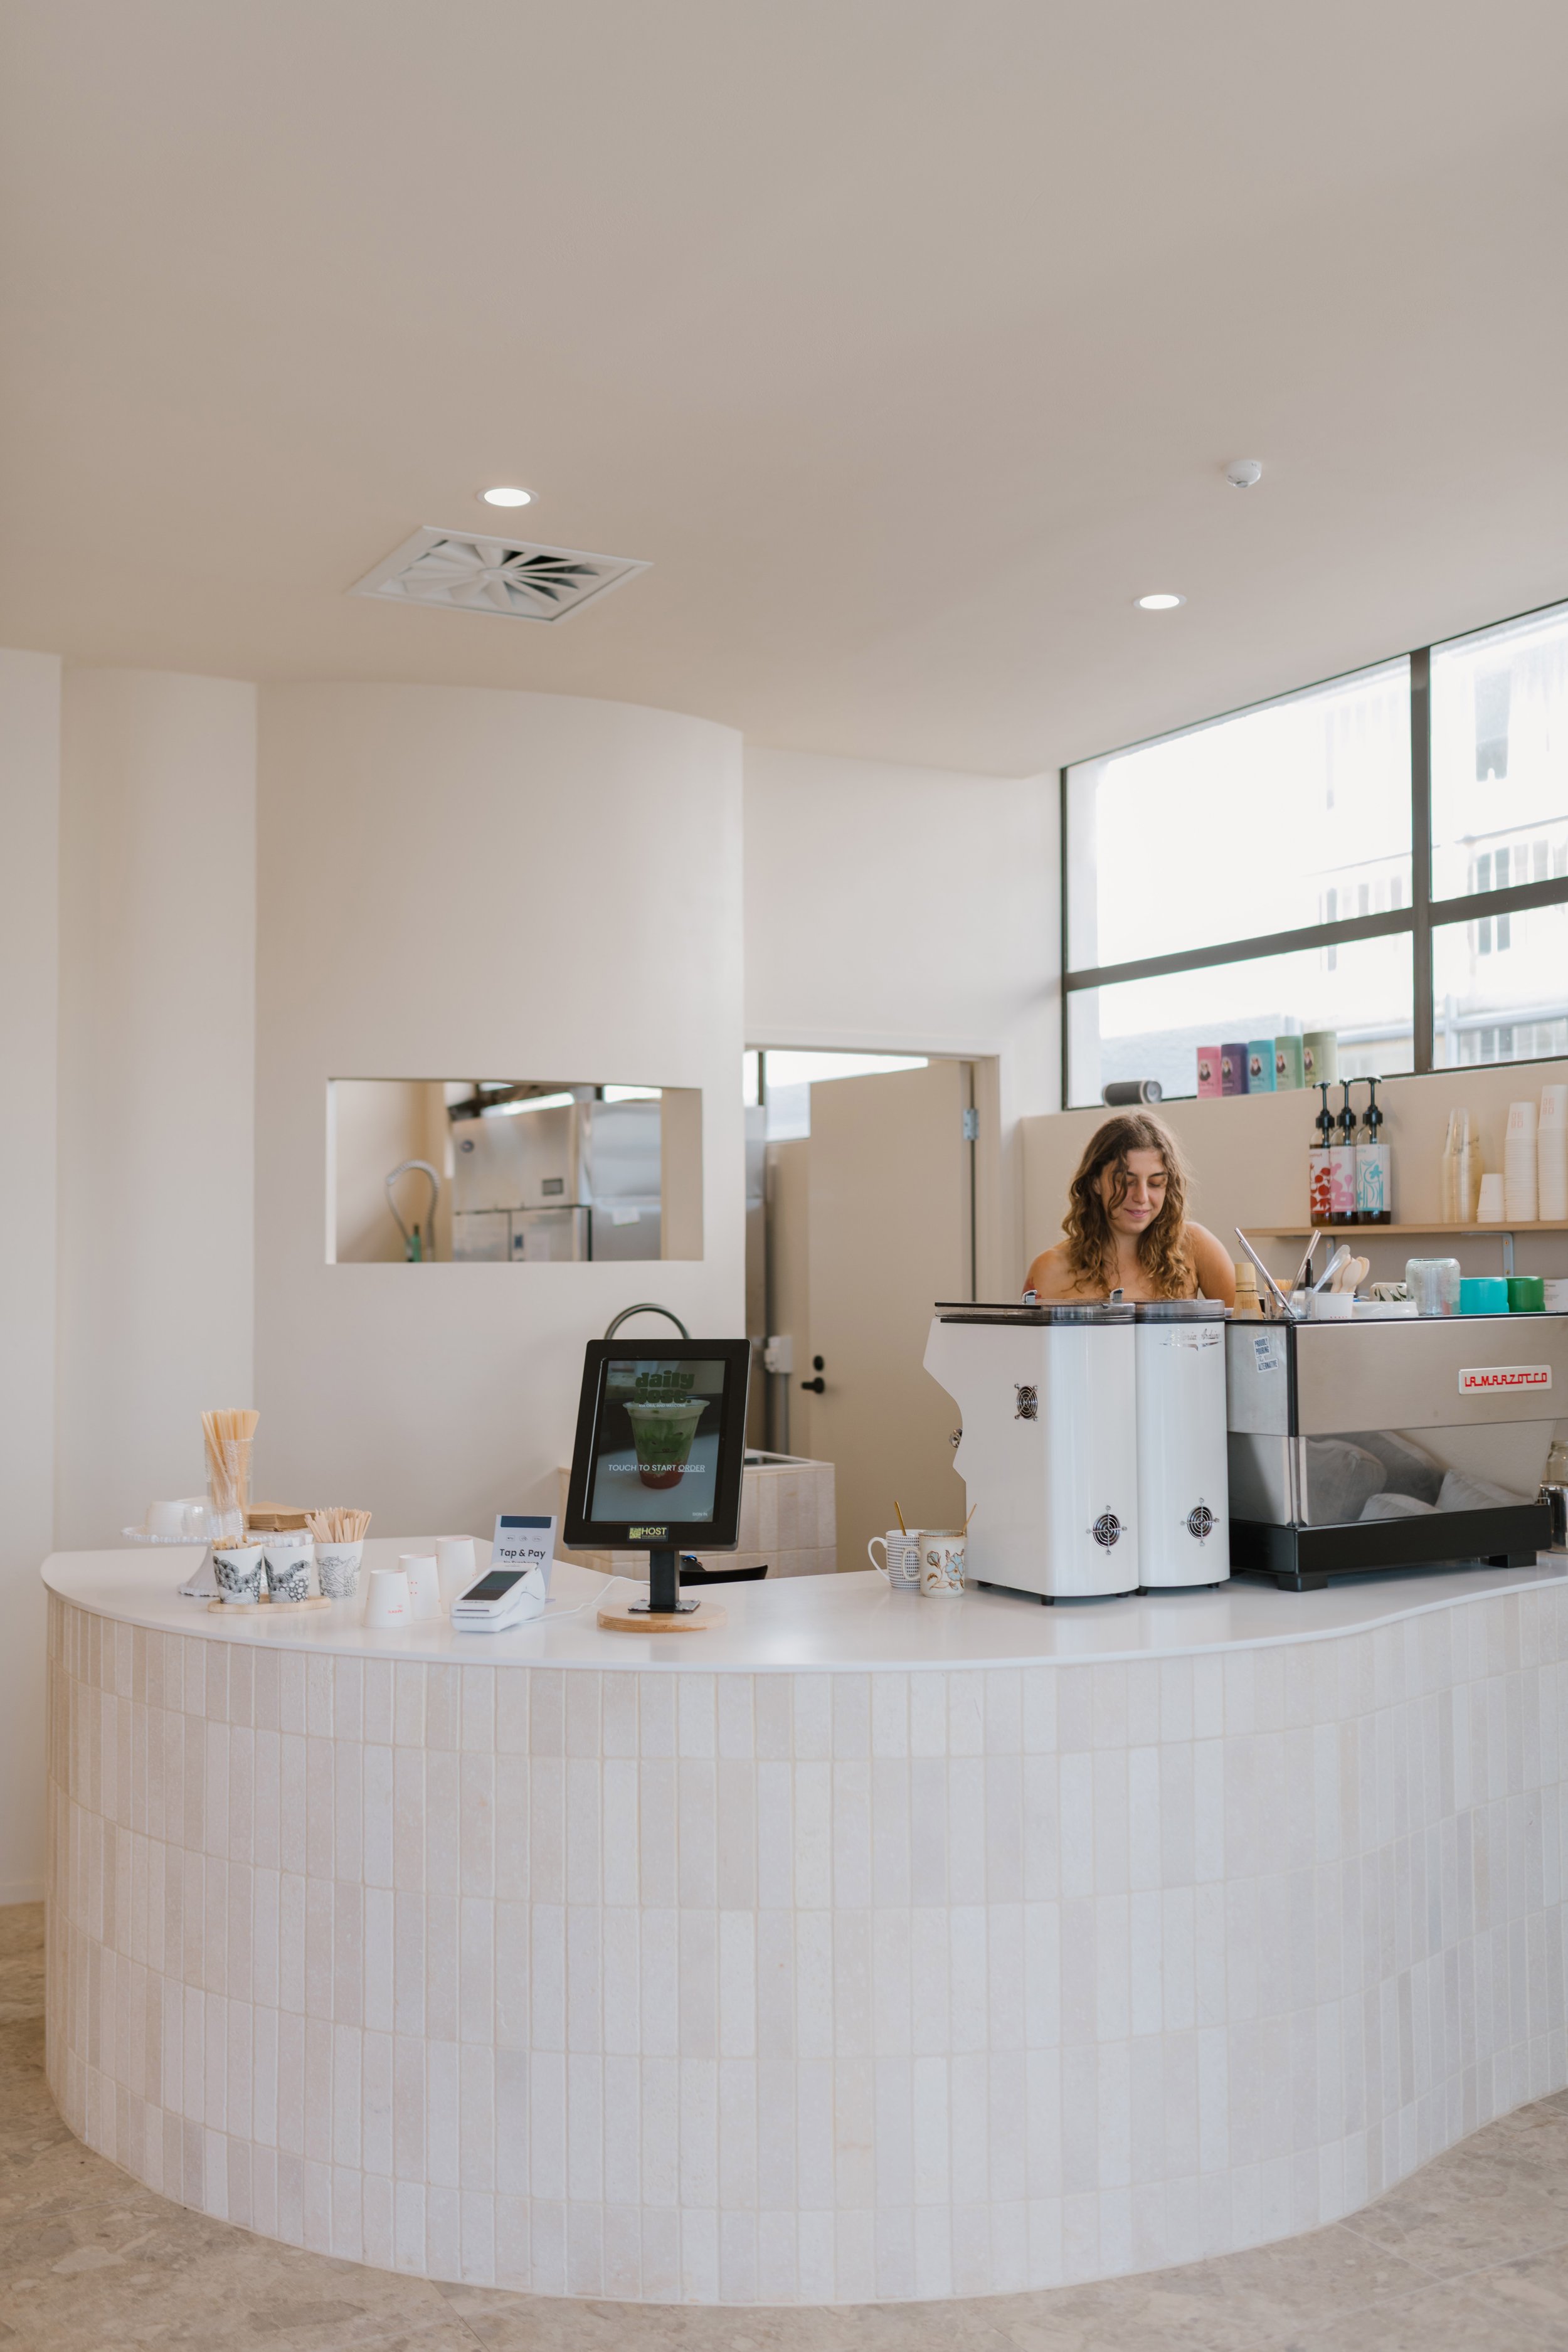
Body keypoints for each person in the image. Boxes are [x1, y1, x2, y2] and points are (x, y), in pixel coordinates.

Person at [1024, 1111, 1235, 1305]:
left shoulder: (1195, 1246)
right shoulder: (1049, 1269)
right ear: (1095, 1182)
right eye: (1126, 1182)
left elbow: (1249, 1332)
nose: (1141, 1197)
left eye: (1155, 1183)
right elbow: (1027, 1346)